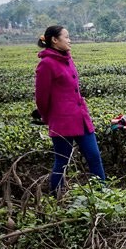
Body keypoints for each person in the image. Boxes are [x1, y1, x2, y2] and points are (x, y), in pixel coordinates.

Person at [34, 25, 106, 193]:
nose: (69, 40)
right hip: (62, 122)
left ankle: (103, 193)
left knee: (94, 156)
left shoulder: (68, 59)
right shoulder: (46, 64)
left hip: (81, 118)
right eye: (66, 37)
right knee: (62, 161)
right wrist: (48, 118)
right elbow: (41, 98)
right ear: (54, 40)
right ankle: (55, 196)